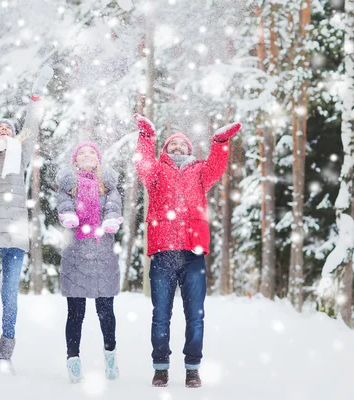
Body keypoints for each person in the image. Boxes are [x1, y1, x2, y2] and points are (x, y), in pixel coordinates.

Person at [133, 113, 242, 388]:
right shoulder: (156, 172)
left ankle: (192, 368)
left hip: (193, 254)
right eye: (172, 145)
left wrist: (220, 141)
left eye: (182, 145)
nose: (178, 147)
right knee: (161, 315)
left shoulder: (201, 172)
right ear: (165, 150)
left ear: (190, 150)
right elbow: (143, 163)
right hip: (163, 252)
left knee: (195, 316)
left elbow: (217, 166)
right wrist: (146, 136)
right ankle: (161, 367)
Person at [0, 65, 53, 374]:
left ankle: (5, 354)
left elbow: (33, 122)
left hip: (15, 234)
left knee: (10, 297)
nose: (4, 131)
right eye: (0, 128)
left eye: (8, 128)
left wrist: (37, 94)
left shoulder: (21, 155)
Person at [56, 141, 123, 383]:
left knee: (106, 311)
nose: (86, 155)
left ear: (99, 158)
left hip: (103, 252)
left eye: (91, 152)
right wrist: (68, 215)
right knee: (75, 313)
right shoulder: (67, 186)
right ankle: (73, 359)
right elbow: (62, 204)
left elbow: (114, 207)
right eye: (81, 153)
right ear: (75, 160)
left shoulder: (109, 186)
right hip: (76, 254)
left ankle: (110, 356)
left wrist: (112, 220)